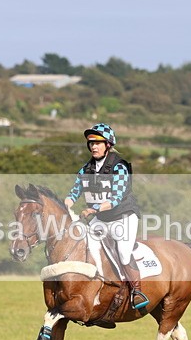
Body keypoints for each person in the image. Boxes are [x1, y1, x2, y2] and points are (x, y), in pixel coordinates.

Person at [64, 123, 149, 310]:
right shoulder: (86, 169)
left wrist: (93, 209)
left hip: (123, 217)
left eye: (98, 143)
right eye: (91, 143)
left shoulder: (119, 167)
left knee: (124, 252)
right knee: (83, 243)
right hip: (102, 220)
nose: (93, 147)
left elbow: (115, 199)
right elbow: (74, 193)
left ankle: (137, 292)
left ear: (108, 145)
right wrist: (65, 204)